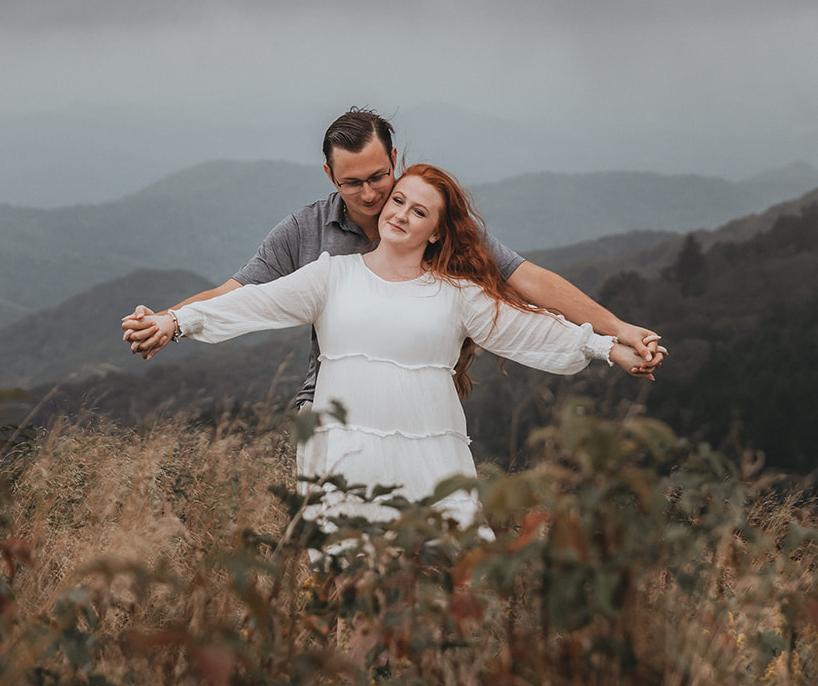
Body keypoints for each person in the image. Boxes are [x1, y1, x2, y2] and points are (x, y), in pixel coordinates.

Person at [121, 164, 659, 529]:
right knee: (352, 582)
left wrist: (609, 346)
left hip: (432, 454)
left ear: (437, 232)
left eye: (419, 211)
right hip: (345, 449)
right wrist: (175, 320)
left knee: (440, 580)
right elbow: (249, 302)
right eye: (398, 200)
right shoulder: (330, 275)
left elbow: (529, 328)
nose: (400, 213)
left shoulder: (458, 295)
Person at [123, 107, 665, 407]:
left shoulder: (435, 221)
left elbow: (527, 287)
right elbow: (242, 297)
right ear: (330, 176)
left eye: (380, 177)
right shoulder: (309, 239)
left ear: (395, 159)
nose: (371, 195)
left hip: (422, 396)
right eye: (351, 183)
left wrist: (615, 332)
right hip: (331, 401)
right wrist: (169, 320)